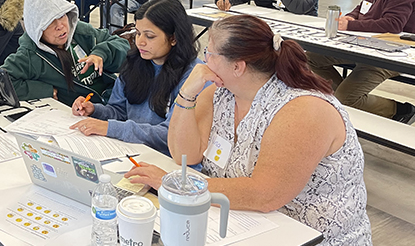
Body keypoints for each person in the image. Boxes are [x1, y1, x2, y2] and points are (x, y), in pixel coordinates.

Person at [125, 15, 372, 246]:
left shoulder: (303, 109)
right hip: (244, 223)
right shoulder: (220, 92)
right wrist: (187, 93)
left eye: (209, 53)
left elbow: (266, 194)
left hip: (311, 237)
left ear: (238, 67)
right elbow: (184, 156)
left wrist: (176, 186)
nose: (204, 61)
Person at [68, 0, 204, 156]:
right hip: (129, 149)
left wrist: (110, 128)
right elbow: (120, 111)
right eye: (138, 33)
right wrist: (95, 111)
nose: (140, 42)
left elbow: (171, 134)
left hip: (165, 158)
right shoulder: (135, 62)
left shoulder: (194, 76)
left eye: (150, 36)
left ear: (173, 38)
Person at [307, 0, 415, 123]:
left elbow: (393, 24)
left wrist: (351, 25)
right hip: (364, 45)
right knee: (310, 57)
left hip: (390, 53)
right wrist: (351, 16)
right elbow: (363, 7)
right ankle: (342, 101)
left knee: (345, 99)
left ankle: (400, 110)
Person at [2, 0, 130, 106]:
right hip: (81, 112)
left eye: (62, 16)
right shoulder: (29, 55)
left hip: (116, 98)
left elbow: (122, 45)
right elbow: (1, 82)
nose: (60, 26)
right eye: (50, 22)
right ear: (37, 30)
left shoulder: (80, 31)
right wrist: (46, 90)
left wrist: (101, 54)